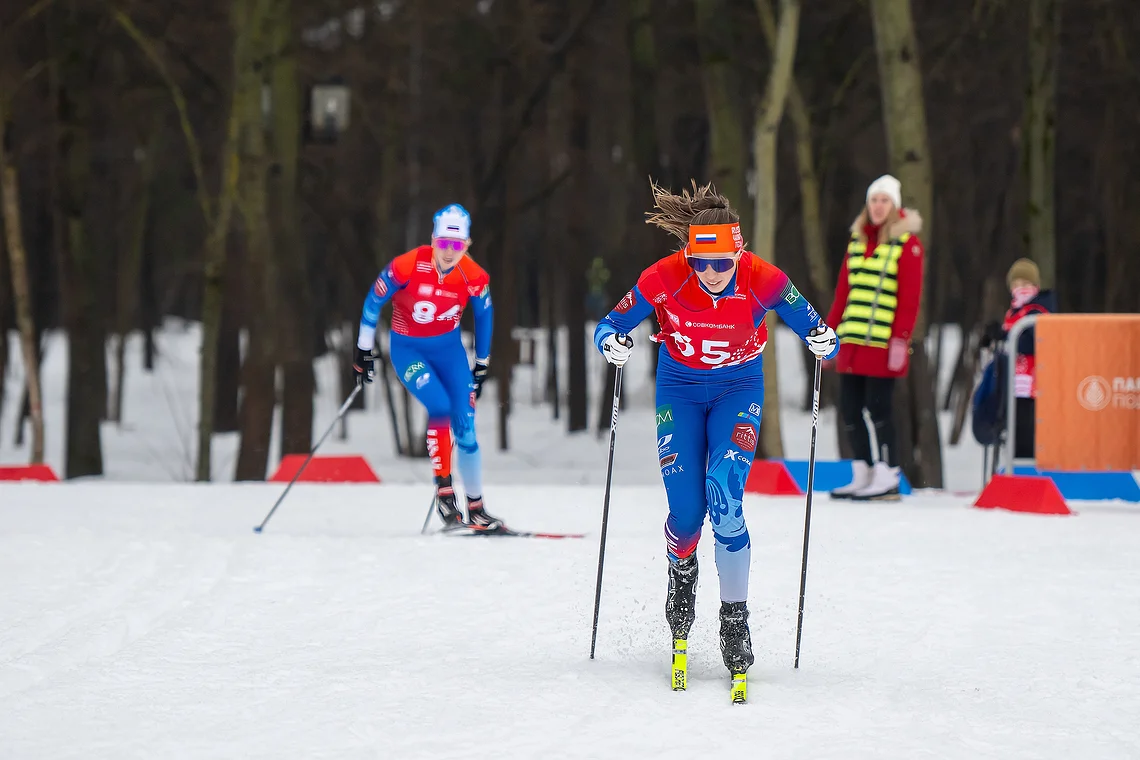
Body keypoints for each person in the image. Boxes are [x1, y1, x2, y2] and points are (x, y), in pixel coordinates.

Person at [593, 180, 838, 690]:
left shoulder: (763, 278)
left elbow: (817, 328)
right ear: (688, 255)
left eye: (722, 264)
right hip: (679, 393)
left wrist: (822, 340)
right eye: (700, 263)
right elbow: (609, 324)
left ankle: (734, 620)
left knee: (725, 498)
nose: (710, 274)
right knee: (686, 514)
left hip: (738, 391)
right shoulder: (664, 276)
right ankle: (681, 580)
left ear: (739, 253)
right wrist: (611, 343)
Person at [353, 203, 500, 530]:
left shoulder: (474, 276)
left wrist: (482, 361)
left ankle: (475, 507)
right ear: (433, 240)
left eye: (458, 245)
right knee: (440, 406)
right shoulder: (406, 265)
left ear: (467, 245)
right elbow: (373, 301)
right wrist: (363, 350)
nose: (450, 252)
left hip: (449, 352)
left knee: (466, 427)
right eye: (444, 244)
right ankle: (445, 494)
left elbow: (485, 316)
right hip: (408, 350)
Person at [825, 174, 925, 501]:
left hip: (882, 344)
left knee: (879, 408)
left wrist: (901, 341)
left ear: (895, 206)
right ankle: (863, 470)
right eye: (873, 200)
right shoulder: (856, 242)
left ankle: (888, 473)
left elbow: (910, 299)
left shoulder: (907, 245)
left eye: (884, 200)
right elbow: (843, 294)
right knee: (850, 409)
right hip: (852, 341)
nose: (878, 206)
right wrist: (827, 332)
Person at [979, 258, 1056, 459]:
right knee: (1015, 430)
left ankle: (1026, 469)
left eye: (1025, 284)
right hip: (1015, 381)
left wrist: (1006, 337)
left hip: (1032, 384)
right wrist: (995, 336)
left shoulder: (1039, 310)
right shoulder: (1015, 311)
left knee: (1025, 430)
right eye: (1016, 284)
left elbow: (1032, 342)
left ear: (1036, 286)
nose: (1020, 289)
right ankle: (1017, 468)